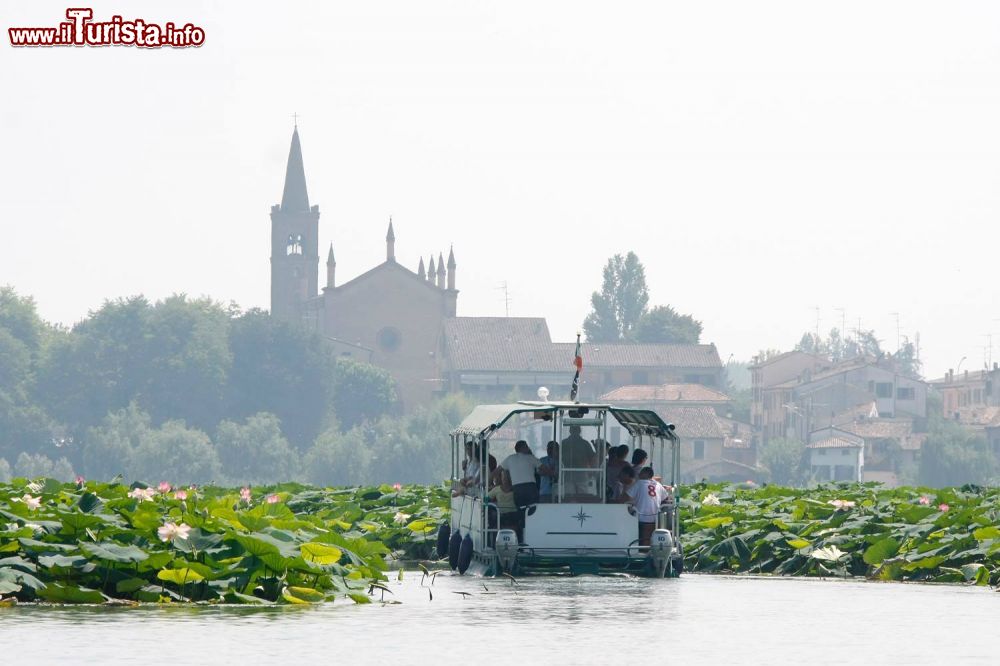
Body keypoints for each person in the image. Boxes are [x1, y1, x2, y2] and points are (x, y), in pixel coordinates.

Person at [625, 466, 669, 546]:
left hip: (640, 517)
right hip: (655, 518)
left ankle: (631, 544)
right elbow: (666, 497)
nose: (639, 474)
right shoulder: (658, 485)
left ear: (645, 474)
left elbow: (626, 497)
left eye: (641, 472)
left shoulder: (639, 483)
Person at [561, 425, 597, 497]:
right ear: (580, 431)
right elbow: (592, 458)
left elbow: (558, 457)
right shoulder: (585, 443)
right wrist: (592, 471)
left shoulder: (563, 443)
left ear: (570, 431)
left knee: (569, 497)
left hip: (568, 474)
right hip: (581, 474)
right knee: (583, 496)